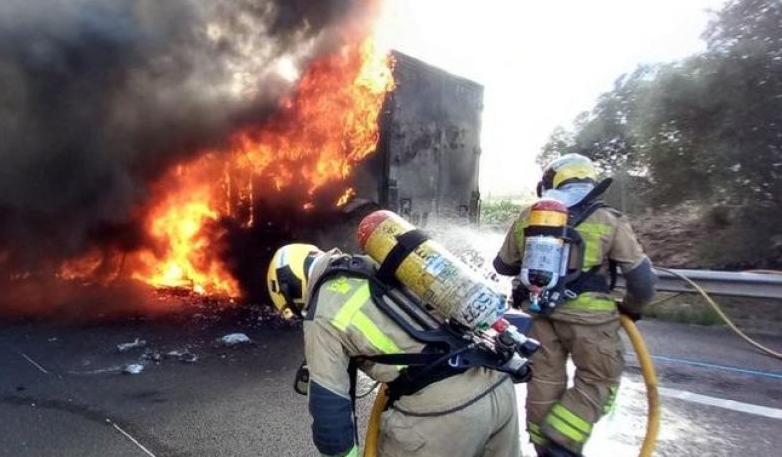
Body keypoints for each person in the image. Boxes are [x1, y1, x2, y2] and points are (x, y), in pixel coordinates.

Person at [268, 240, 521, 457]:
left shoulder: (321, 312)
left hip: (445, 413)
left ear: (291, 287)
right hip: (496, 380)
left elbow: (328, 404)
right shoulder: (375, 262)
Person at [493, 153, 657, 456]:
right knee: (600, 378)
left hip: (539, 316)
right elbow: (643, 281)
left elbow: (502, 265)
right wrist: (631, 309)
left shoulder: (532, 217)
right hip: (591, 321)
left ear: (552, 182)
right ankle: (563, 443)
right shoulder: (609, 219)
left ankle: (544, 448)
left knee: (543, 379)